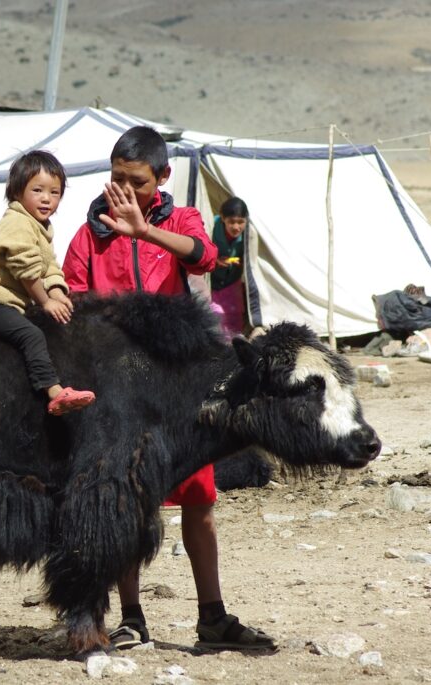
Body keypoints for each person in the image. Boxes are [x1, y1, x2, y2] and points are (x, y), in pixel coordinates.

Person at [62, 126, 275, 651]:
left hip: (178, 389)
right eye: (116, 179)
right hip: (120, 392)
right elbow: (73, 301)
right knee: (130, 503)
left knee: (200, 501)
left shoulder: (178, 220)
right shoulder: (90, 233)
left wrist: (143, 232)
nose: (125, 190)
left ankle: (213, 616)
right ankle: (132, 617)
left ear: (162, 177)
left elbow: (202, 257)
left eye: (136, 181)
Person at [0, 150, 96, 416]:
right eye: (38, 190)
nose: (47, 199)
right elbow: (26, 269)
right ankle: (53, 391)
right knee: (31, 335)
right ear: (16, 192)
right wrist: (45, 301)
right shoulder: (17, 223)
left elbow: (48, 265)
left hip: (14, 304)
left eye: (55, 192)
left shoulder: (40, 226)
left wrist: (58, 292)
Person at [210, 196, 249, 338]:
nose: (236, 227)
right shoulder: (211, 226)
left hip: (232, 282)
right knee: (214, 317)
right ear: (222, 218)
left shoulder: (249, 234)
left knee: (234, 318)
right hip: (213, 282)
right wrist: (215, 261)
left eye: (240, 222)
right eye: (231, 222)